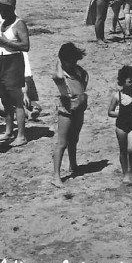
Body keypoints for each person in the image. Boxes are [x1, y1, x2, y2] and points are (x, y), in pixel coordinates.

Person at [0, 0, 31, 146]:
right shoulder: (1, 23)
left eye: (4, 9)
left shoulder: (19, 24)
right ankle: (8, 131)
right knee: (5, 98)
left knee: (17, 100)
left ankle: (21, 135)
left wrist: (7, 42)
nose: (1, 11)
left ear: (12, 9)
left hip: (12, 62)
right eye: (0, 8)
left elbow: (25, 46)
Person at [51, 43, 88, 188]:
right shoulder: (60, 75)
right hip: (66, 107)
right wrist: (59, 62)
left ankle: (73, 165)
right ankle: (56, 176)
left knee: (74, 139)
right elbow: (58, 76)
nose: (72, 63)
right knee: (62, 142)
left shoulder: (77, 71)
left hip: (78, 106)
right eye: (68, 61)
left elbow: (84, 82)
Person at [107, 65, 132, 186]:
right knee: (123, 150)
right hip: (121, 126)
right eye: (130, 81)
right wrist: (120, 113)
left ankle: (130, 170)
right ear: (122, 82)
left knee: (131, 149)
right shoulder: (117, 96)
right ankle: (125, 173)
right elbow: (110, 112)